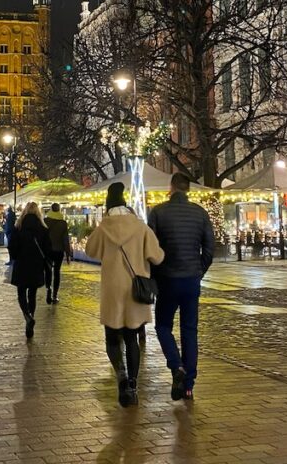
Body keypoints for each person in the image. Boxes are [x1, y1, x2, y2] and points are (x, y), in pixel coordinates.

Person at [85, 182, 164, 408]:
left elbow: (91, 251)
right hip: (135, 291)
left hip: (112, 290)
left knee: (112, 338)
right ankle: (133, 384)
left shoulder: (103, 228)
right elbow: (157, 257)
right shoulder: (141, 228)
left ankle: (120, 375)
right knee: (132, 339)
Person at [148, 172, 215, 402]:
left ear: (172, 187)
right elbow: (209, 248)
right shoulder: (200, 213)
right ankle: (188, 385)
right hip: (191, 280)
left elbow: (152, 249)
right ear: (188, 189)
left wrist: (155, 274)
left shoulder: (158, 212)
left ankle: (176, 366)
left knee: (163, 326)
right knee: (189, 330)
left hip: (167, 279)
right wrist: (199, 270)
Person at [8, 201, 50, 340]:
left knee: (21, 293)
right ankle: (30, 318)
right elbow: (47, 248)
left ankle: (27, 316)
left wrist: (15, 257)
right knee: (32, 294)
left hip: (21, 264)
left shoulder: (18, 227)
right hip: (36, 265)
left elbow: (12, 246)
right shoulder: (43, 228)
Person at [44, 202, 72, 304]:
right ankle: (55, 295)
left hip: (47, 250)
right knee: (57, 272)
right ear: (59, 209)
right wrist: (68, 254)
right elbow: (65, 240)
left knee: (48, 271)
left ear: (51, 209)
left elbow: (43, 237)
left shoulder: (45, 221)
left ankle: (48, 290)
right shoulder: (63, 223)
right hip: (59, 251)